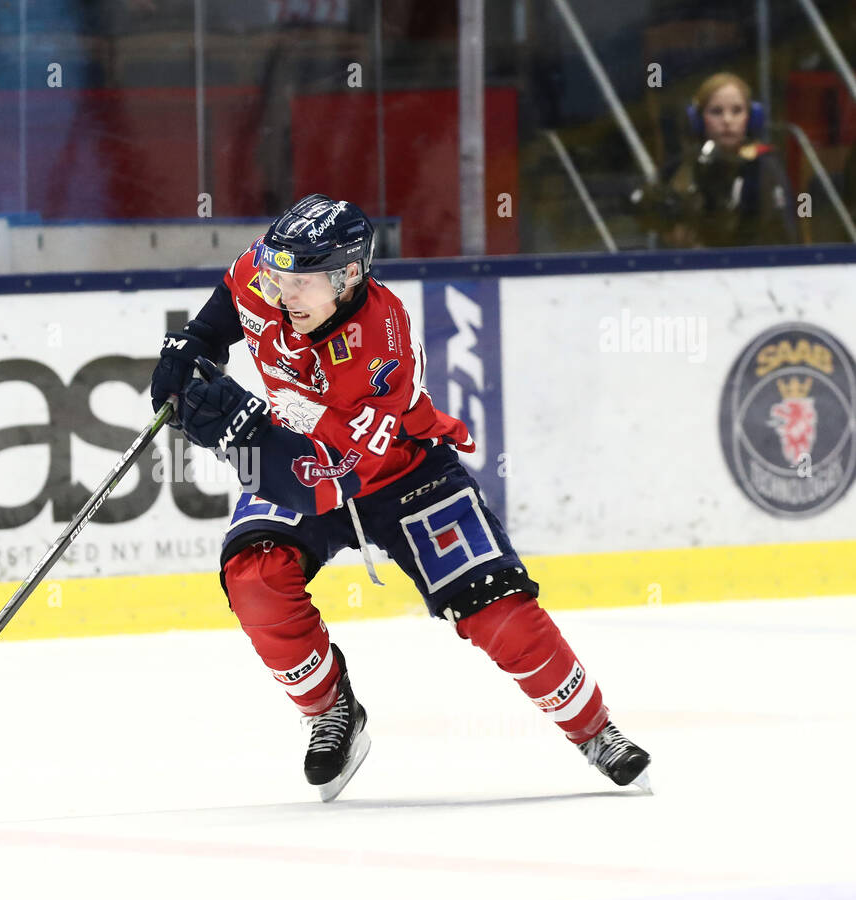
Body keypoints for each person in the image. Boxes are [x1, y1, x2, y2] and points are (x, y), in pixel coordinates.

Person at [149, 194, 652, 801]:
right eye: (277, 275)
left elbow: (323, 483)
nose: (283, 294)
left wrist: (238, 432)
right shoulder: (267, 275)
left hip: (398, 474)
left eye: (301, 283)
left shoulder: (379, 344)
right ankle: (331, 710)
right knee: (254, 578)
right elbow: (228, 308)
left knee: (497, 609)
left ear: (349, 275)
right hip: (293, 448)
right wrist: (192, 348)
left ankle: (595, 730)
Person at [634, 72, 798, 248]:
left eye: (737, 111)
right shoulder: (683, 165)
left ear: (751, 118)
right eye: (716, 112)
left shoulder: (764, 164)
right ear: (698, 119)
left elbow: (781, 234)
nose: (727, 120)